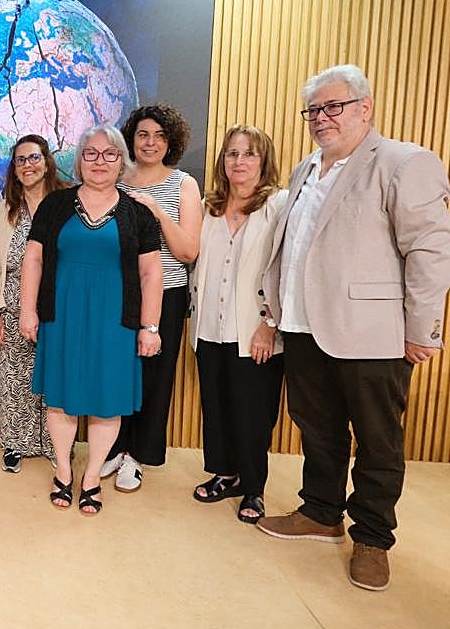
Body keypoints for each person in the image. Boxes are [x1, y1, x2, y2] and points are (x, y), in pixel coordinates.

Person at [258, 64, 450, 591]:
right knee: (317, 427)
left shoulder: (403, 162)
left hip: (372, 332)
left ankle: (373, 538)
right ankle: (321, 512)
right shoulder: (305, 169)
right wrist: (274, 316)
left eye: (333, 106)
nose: (321, 117)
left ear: (365, 108)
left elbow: (429, 251)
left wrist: (423, 329)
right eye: (314, 110)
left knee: (376, 438)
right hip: (303, 324)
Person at [19, 125, 162, 516]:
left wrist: (150, 327)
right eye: (91, 153)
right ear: (79, 161)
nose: (100, 162)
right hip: (62, 315)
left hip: (116, 321)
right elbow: (34, 259)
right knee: (61, 398)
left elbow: (151, 273)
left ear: (122, 161)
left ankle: (93, 476)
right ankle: (64, 472)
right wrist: (28, 310)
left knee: (106, 401)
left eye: (109, 154)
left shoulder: (138, 213)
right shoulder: (55, 205)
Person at [189, 126, 288, 524]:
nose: (239, 161)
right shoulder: (207, 206)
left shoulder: (279, 205)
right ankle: (224, 474)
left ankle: (253, 487)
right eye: (232, 153)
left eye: (249, 154)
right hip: (209, 327)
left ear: (264, 161)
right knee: (216, 406)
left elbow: (286, 269)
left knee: (253, 412)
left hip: (256, 331)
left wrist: (270, 323)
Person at [103, 104, 202, 492]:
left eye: (160, 136)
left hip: (167, 293)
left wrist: (157, 211)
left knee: (154, 376)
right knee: (117, 370)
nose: (150, 143)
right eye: (143, 134)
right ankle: (114, 446)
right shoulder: (116, 180)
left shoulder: (183, 184)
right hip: (119, 292)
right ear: (131, 139)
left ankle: (138, 455)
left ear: (170, 141)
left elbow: (188, 252)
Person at [0, 134, 68, 473]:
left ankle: (55, 444)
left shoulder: (66, 204)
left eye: (34, 157)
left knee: (55, 374)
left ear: (47, 162)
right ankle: (15, 444)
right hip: (12, 303)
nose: (28, 165)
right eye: (20, 160)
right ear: (14, 169)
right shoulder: (5, 210)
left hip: (57, 303)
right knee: (13, 376)